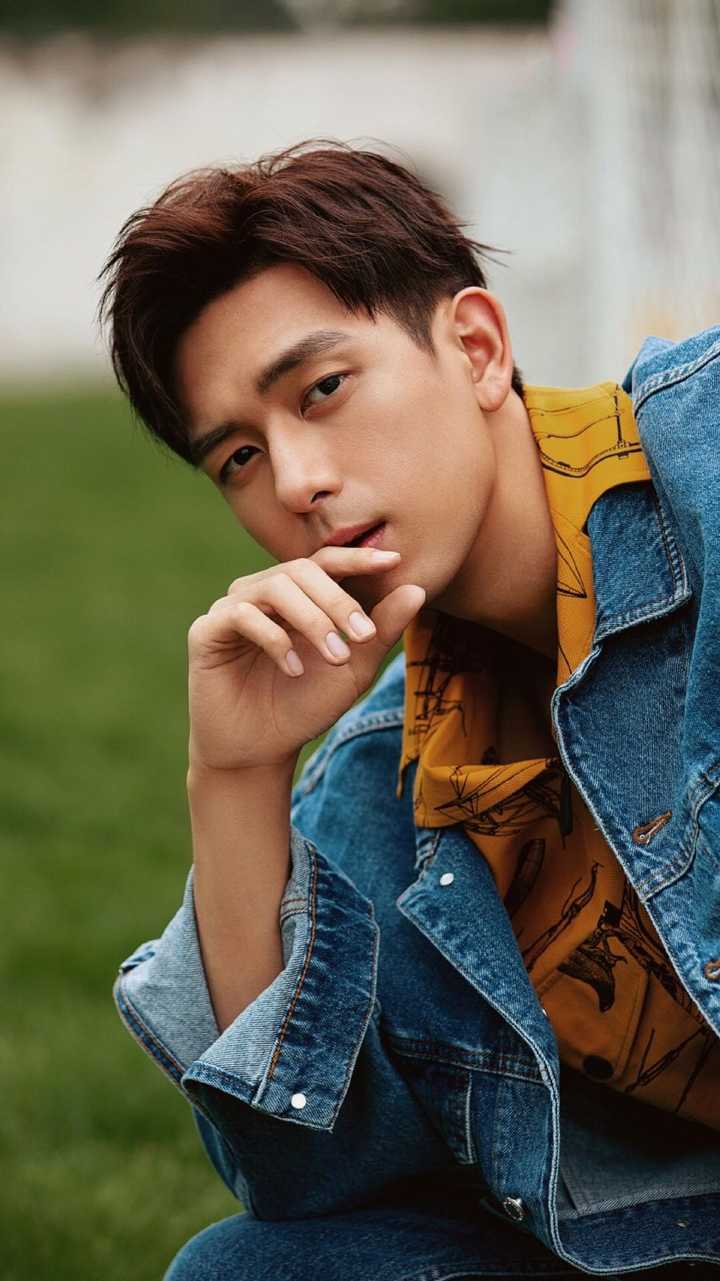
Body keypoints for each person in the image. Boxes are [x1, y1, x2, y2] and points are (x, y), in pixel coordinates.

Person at [98, 141, 720, 1279]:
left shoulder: (707, 454)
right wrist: (235, 777)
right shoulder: (396, 768)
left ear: (477, 348)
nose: (295, 482)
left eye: (322, 390)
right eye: (239, 456)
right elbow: (310, 1182)